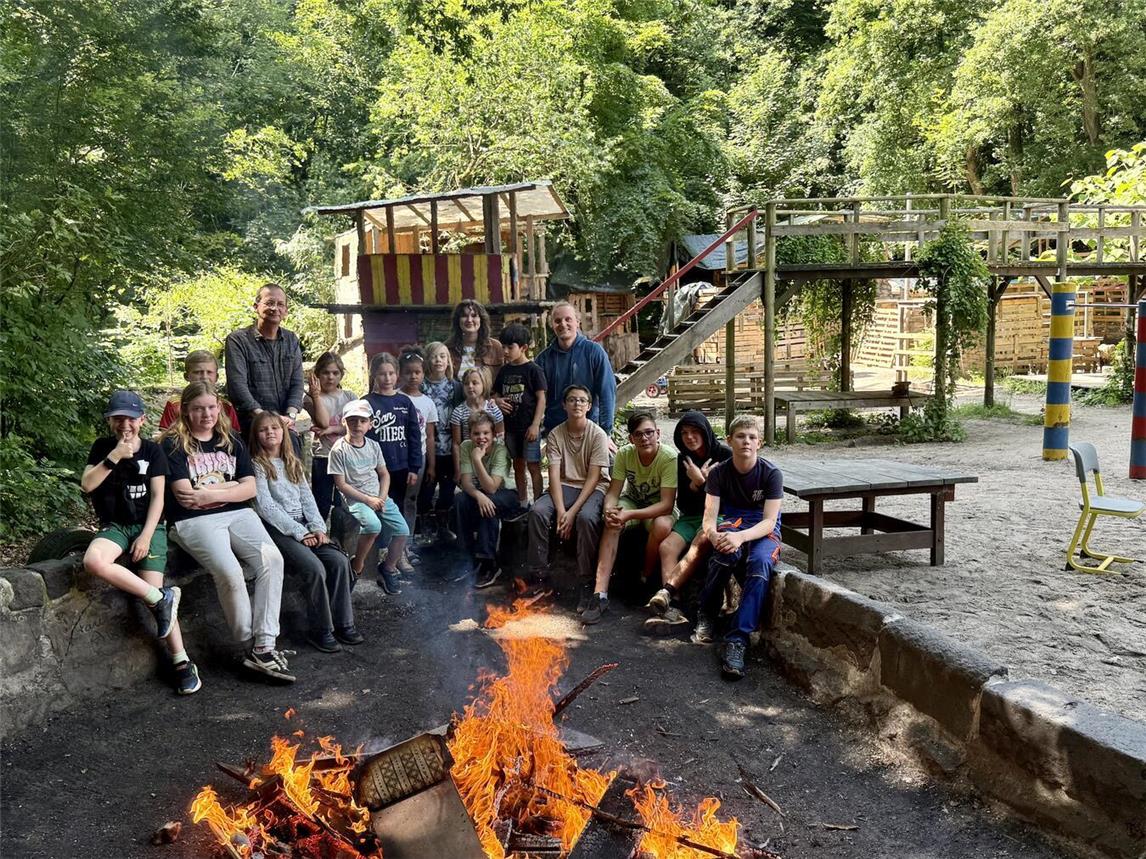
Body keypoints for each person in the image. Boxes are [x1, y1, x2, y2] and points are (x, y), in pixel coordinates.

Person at [161, 382, 294, 683]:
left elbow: (250, 487)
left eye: (211, 407)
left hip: (237, 513)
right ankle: (248, 642)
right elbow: (184, 495)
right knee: (230, 572)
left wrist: (210, 492)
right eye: (198, 408)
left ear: (219, 408)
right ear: (186, 411)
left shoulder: (230, 439)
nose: (206, 414)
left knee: (272, 559)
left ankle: (264, 646)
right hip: (192, 521)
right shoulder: (173, 444)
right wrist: (230, 487)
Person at [82, 390, 199, 695]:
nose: (125, 424)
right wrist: (114, 457)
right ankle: (162, 598)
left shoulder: (152, 451)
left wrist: (147, 535)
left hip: (149, 525)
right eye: (118, 418)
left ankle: (181, 661)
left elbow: (160, 497)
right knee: (94, 561)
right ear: (110, 421)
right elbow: (87, 484)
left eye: (131, 418)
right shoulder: (103, 448)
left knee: (153, 591)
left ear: (142, 420)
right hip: (116, 525)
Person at [249, 411, 363, 654]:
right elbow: (266, 507)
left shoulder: (293, 462)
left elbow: (307, 499)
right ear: (256, 435)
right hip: (279, 530)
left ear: (284, 432)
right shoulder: (257, 465)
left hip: (306, 527)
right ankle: (320, 629)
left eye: (275, 428)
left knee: (340, 561)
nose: (270, 432)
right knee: (314, 568)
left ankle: (343, 622)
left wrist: (319, 528)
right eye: (263, 429)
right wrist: (300, 533)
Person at [694, 414, 783, 680]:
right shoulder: (719, 473)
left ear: (760, 443)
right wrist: (714, 536)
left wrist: (742, 537)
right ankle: (706, 613)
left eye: (752, 437)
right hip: (730, 523)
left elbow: (770, 521)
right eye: (741, 437)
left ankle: (738, 641)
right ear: (729, 440)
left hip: (760, 530)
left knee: (760, 564)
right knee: (724, 553)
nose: (746, 442)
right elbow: (709, 518)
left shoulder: (771, 474)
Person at [582, 411, 677, 624]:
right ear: (631, 438)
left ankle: (646, 575)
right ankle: (600, 594)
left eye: (649, 433)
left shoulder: (668, 457)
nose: (644, 438)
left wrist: (630, 514)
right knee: (613, 522)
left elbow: (667, 504)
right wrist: (609, 510)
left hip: (657, 508)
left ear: (658, 433)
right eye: (638, 434)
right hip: (632, 501)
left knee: (662, 526)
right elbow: (614, 491)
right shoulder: (625, 454)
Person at [644, 410, 732, 636]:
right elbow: (682, 501)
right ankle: (672, 608)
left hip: (717, 516)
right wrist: (694, 484)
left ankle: (670, 594)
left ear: (705, 431)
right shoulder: (683, 459)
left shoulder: (724, 455)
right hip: (690, 516)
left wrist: (702, 482)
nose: (690, 437)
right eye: (684, 433)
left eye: (695, 432)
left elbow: (727, 499)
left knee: (699, 542)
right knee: (666, 547)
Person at [526, 385, 609, 601]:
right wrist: (562, 510)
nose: (577, 404)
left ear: (589, 406)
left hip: (593, 486)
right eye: (572, 400)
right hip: (564, 484)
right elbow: (553, 475)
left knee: (586, 517)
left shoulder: (598, 435)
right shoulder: (556, 434)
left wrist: (570, 514)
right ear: (564, 405)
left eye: (582, 400)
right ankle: (540, 576)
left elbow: (593, 478)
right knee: (537, 511)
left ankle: (586, 580)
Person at [328, 398, 410, 595]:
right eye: (353, 420)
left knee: (403, 530)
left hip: (378, 496)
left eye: (363, 421)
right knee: (373, 525)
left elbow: (384, 474)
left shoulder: (373, 445)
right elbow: (341, 484)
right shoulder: (339, 450)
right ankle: (357, 566)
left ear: (370, 424)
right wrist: (368, 500)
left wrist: (381, 498)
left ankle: (388, 567)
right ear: (344, 422)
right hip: (355, 499)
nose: (358, 425)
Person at [363, 352, 422, 576]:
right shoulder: (367, 403)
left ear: (397, 375)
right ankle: (381, 554)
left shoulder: (404, 402)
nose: (387, 378)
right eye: (382, 374)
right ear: (374, 375)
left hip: (401, 469)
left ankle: (399, 554)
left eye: (391, 373)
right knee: (380, 512)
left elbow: (414, 437)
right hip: (376, 470)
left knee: (397, 510)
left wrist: (414, 467)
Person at [224, 282, 305, 441]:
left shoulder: (291, 340)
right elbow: (237, 386)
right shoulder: (238, 340)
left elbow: (297, 382)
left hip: (284, 422)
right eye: (269, 303)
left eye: (280, 304)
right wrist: (264, 418)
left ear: (286, 311)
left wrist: (291, 415)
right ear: (256, 306)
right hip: (251, 422)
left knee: (293, 448)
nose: (275, 308)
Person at [454, 411, 522, 589]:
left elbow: (492, 486)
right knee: (460, 499)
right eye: (476, 433)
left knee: (490, 504)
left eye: (486, 433)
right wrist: (479, 496)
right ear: (470, 434)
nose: (481, 437)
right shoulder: (466, 446)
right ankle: (467, 557)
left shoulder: (500, 450)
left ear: (493, 434)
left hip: (506, 495)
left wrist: (477, 460)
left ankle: (488, 564)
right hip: (482, 493)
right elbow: (466, 482)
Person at [534, 301, 616, 441]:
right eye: (558, 321)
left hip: (589, 429)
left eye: (568, 319)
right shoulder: (543, 359)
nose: (563, 324)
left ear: (577, 322)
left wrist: (605, 432)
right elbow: (535, 397)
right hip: (555, 431)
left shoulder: (594, 352)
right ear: (552, 325)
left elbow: (607, 392)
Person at [492, 323, 547, 505]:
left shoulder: (533, 370)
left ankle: (538, 504)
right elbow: (494, 393)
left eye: (510, 347)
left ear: (523, 347)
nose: (505, 351)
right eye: (503, 347)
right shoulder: (504, 371)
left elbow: (541, 398)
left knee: (533, 465)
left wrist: (535, 425)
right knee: (518, 466)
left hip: (528, 428)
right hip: (510, 428)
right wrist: (498, 401)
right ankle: (523, 503)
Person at [304, 351, 356, 522]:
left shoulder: (349, 397)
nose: (330, 377)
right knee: (322, 501)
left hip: (346, 455)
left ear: (341, 374)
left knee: (345, 501)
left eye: (335, 373)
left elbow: (357, 427)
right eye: (325, 373)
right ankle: (319, 534)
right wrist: (316, 395)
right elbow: (323, 422)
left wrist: (332, 430)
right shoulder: (310, 399)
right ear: (317, 374)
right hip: (324, 456)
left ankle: (341, 538)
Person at [418, 342, 462, 544]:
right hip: (428, 447)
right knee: (426, 488)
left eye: (443, 356)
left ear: (449, 361)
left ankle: (443, 526)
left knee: (447, 489)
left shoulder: (455, 387)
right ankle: (426, 527)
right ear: (427, 360)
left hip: (450, 446)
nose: (438, 360)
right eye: (434, 356)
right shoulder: (421, 386)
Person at [398, 346, 437, 555]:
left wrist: (431, 465)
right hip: (397, 459)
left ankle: (408, 543)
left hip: (418, 459)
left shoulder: (427, 403)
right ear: (400, 373)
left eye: (417, 372)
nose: (413, 376)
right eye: (408, 372)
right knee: (396, 501)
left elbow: (429, 436)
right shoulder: (394, 397)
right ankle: (394, 546)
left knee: (411, 501)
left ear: (423, 374)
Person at [157, 350, 240, 432]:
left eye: (209, 372)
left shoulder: (226, 406)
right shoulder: (175, 405)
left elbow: (234, 438)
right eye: (197, 372)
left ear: (216, 377)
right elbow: (166, 437)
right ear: (186, 376)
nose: (204, 377)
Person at [450, 367, 505, 482]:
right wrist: (457, 469)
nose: (470, 386)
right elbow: (456, 443)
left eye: (475, 383)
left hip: (490, 459)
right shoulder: (458, 412)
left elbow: (501, 437)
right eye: (466, 383)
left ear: (483, 384)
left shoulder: (492, 408)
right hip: (468, 459)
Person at [446, 299, 504, 380]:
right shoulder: (447, 348)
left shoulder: (495, 347)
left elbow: (503, 378)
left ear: (481, 319)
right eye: (464, 316)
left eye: (474, 316)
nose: (469, 320)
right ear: (458, 320)